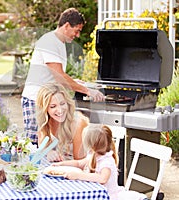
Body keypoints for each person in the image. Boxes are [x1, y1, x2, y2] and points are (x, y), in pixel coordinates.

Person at [21, 7, 105, 144]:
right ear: (66, 26)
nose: (77, 35)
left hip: (46, 100)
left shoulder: (59, 43)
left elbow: (56, 75)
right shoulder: (50, 42)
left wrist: (74, 82)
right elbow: (59, 76)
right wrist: (88, 91)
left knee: (47, 144)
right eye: (76, 30)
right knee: (35, 145)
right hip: (35, 100)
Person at [52, 124, 148, 200]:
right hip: (94, 192)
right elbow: (79, 163)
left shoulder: (107, 161)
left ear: (91, 145)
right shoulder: (94, 155)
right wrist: (60, 164)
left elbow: (102, 178)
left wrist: (78, 175)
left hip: (107, 196)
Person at [36, 83, 89, 161]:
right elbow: (41, 146)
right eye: (53, 106)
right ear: (44, 109)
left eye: (62, 104)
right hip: (60, 167)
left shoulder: (77, 123)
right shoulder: (46, 121)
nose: (60, 110)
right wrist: (48, 152)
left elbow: (80, 161)